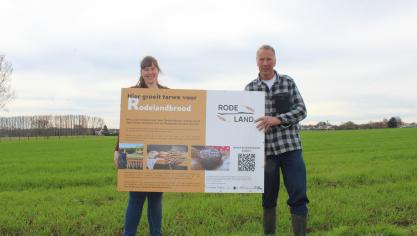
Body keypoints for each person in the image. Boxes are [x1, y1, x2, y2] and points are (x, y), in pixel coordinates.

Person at [245, 45, 309, 236]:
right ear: (256, 62)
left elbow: (301, 110)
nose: (265, 63)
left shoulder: (288, 82)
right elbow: (245, 124)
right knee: (268, 199)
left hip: (290, 148)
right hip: (266, 154)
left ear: (275, 60)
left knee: (298, 196)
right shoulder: (250, 88)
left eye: (269, 59)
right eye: (261, 59)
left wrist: (278, 119)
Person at [114, 56, 168, 236]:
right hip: (135, 151)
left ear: (157, 70)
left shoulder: (168, 93)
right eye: (146, 69)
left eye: (153, 68)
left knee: (156, 200)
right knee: (135, 198)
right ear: (141, 72)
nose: (150, 72)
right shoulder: (133, 93)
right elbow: (125, 123)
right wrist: (117, 150)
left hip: (158, 151)